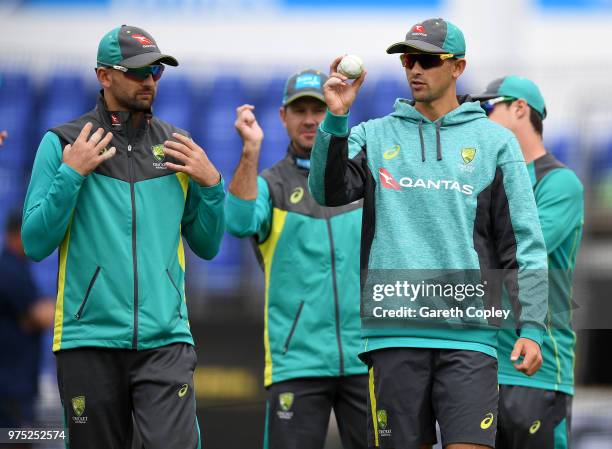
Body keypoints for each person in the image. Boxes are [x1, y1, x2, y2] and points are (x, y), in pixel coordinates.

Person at [308, 18, 549, 449]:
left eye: (427, 60)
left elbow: (522, 242)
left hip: (471, 335)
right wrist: (337, 116)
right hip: (394, 332)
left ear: (457, 68)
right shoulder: (373, 135)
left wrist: (531, 325)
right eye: (408, 59)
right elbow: (328, 191)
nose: (415, 69)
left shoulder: (496, 143)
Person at [22, 25, 225, 449]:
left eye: (156, 70)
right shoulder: (61, 144)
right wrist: (71, 174)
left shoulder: (178, 145)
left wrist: (211, 185)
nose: (149, 79)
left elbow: (207, 245)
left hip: (165, 341)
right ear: (104, 75)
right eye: (136, 71)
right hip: (88, 340)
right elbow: (36, 242)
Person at [226, 69, 368, 449]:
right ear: (282, 117)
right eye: (299, 110)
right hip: (298, 363)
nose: (309, 119)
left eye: (319, 109)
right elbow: (238, 222)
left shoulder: (359, 177)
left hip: (367, 357)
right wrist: (250, 151)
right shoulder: (269, 185)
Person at [474, 76, 584, 449]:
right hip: (482, 365)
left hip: (537, 370)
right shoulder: (488, 179)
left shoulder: (561, 183)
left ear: (519, 108)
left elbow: (520, 247)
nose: (482, 117)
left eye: (490, 108)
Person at [0, 210, 55, 449]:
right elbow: (38, 316)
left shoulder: (18, 266)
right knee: (18, 440)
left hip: (18, 380)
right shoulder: (8, 268)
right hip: (11, 384)